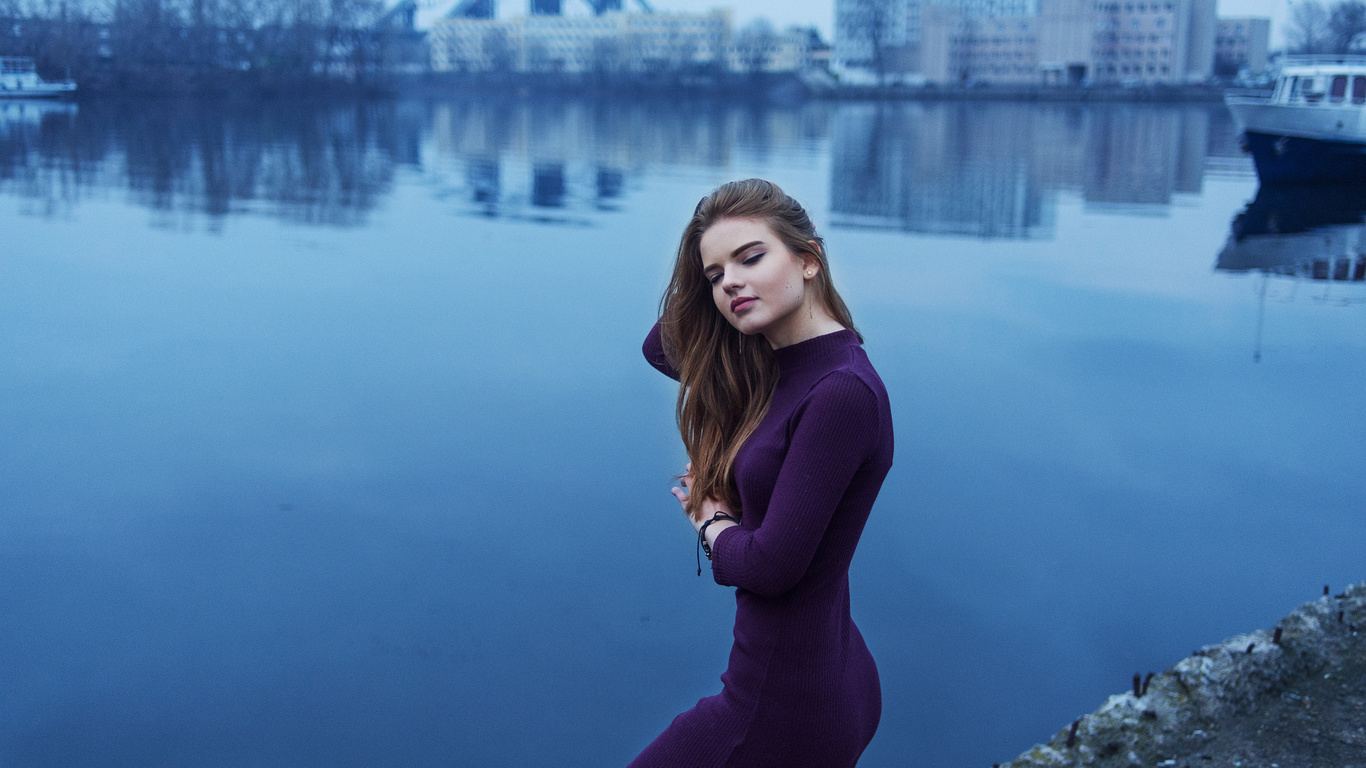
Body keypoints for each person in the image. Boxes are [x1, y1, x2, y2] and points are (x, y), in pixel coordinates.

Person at [630, 179, 894, 768]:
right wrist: (707, 257)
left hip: (780, 706)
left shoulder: (839, 393)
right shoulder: (771, 371)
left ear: (808, 258)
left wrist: (712, 523)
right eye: (715, 275)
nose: (731, 283)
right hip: (823, 667)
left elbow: (771, 568)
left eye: (751, 257)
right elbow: (661, 348)